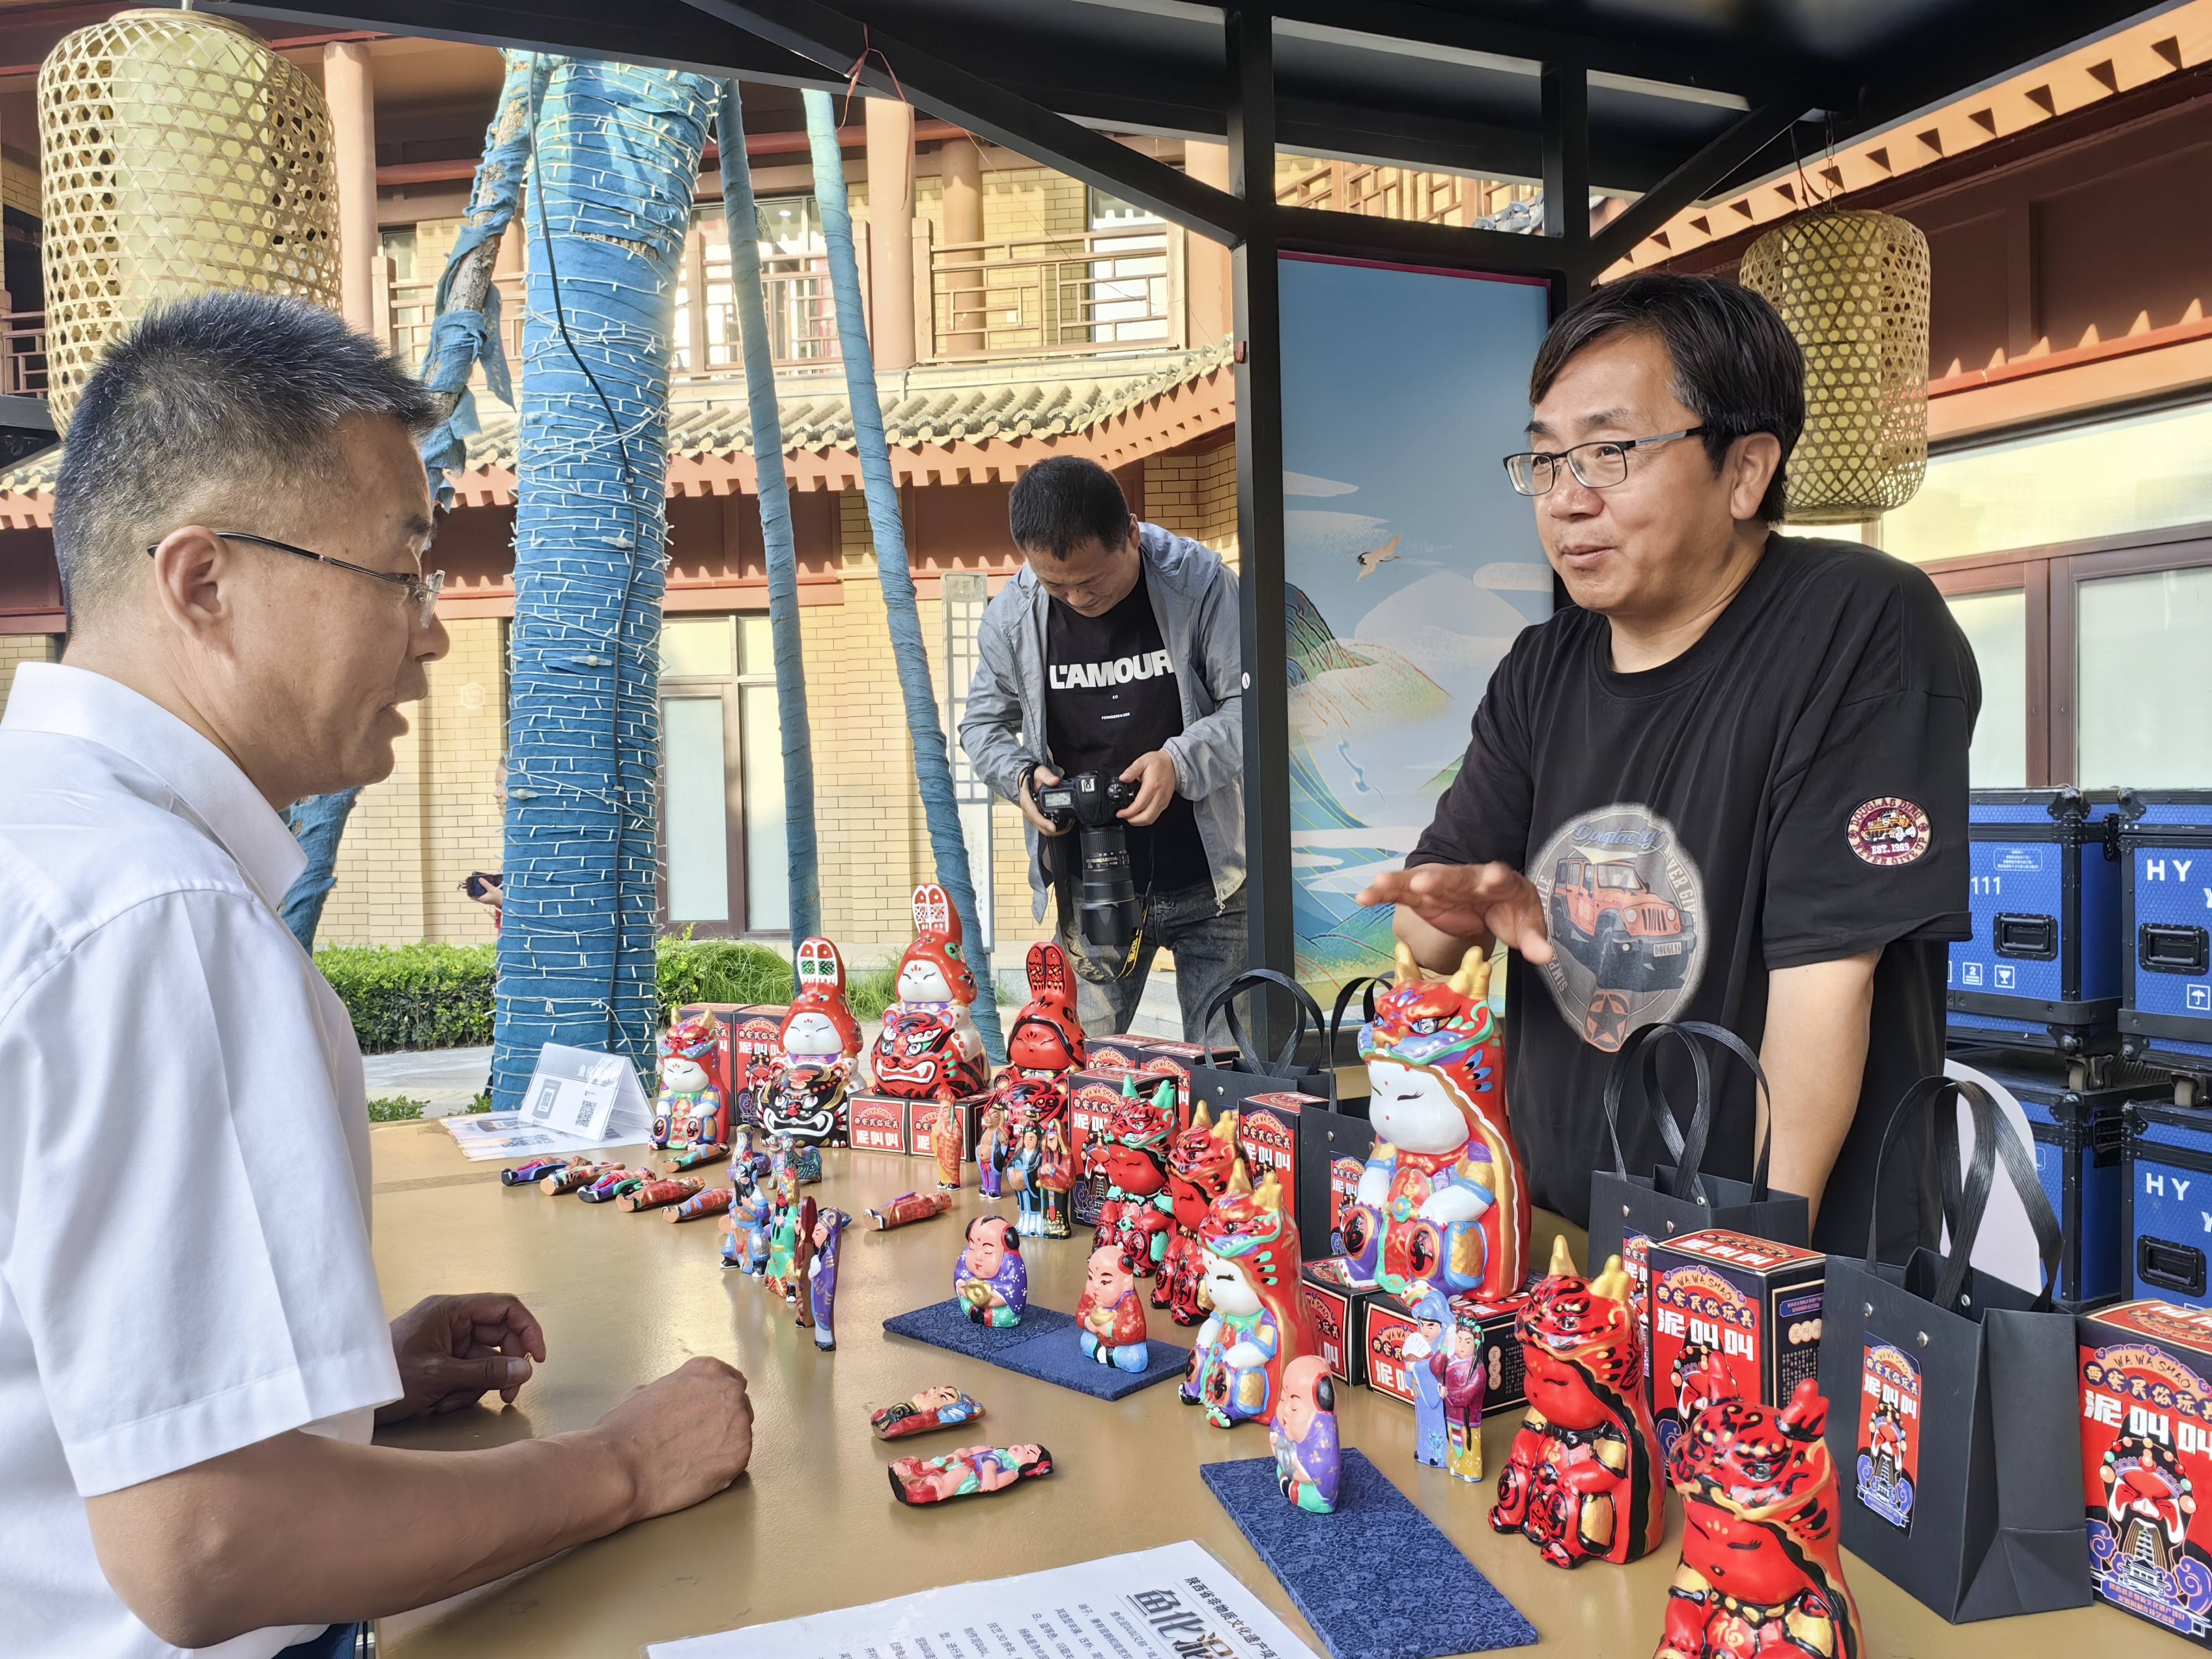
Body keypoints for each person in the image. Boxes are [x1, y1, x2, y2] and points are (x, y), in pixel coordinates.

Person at [0, 293, 753, 1659]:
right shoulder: (158, 915)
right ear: (203, 582)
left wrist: (333, 1389)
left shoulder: (47, 840)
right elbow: (209, 1538)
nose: (434, 630)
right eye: (402, 568)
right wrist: (621, 1466)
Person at [1359, 274, 1976, 1260]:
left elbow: (1829, 987)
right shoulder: (1544, 666)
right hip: (1562, 1232)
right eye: (1548, 458)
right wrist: (1449, 906)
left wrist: (1751, 1273)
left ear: (1745, 469)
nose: (1567, 499)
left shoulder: (1861, 625)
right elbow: (1423, 939)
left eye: (1610, 451)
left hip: (1773, 1264)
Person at [959, 456, 1245, 1041]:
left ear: (1131, 534)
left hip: (1213, 880)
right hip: (1088, 887)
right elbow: (981, 728)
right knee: (1074, 1069)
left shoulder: (1201, 584)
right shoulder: (1013, 615)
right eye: (1054, 583)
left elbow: (1257, 708)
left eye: (1089, 580)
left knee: (1229, 1077)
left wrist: (1177, 762)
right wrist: (1020, 781)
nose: (1075, 596)